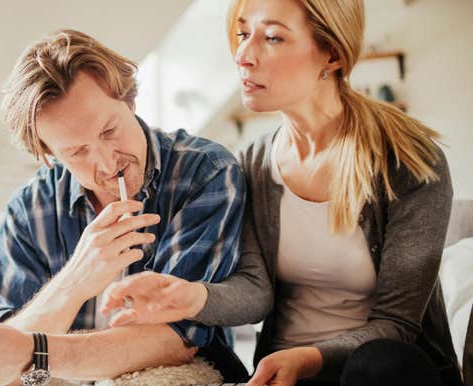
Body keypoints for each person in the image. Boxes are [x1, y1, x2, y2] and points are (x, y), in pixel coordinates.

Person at [100, 1, 463, 385]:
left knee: (382, 365)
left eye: (273, 37)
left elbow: (397, 323)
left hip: (378, 372)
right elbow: (257, 290)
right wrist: (189, 296)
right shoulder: (254, 163)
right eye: (243, 34)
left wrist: (309, 358)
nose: (243, 54)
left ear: (333, 54)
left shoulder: (408, 160)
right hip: (284, 372)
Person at [0, 29, 247, 385]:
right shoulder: (30, 208)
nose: (107, 163)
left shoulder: (204, 174)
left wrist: (31, 353)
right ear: (48, 155)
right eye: (76, 152)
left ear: (131, 102)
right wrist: (75, 281)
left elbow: (178, 340)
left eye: (109, 131)